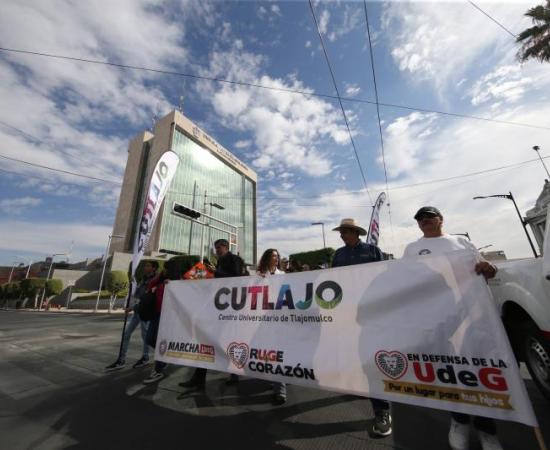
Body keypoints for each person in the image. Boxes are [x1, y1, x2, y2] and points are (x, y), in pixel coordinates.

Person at [403, 206, 500, 450]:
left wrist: (490, 268)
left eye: (429, 216)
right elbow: (403, 282)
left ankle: (487, 430)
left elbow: (485, 270)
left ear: (441, 219)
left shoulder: (462, 242)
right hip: (436, 319)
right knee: (450, 370)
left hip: (471, 316)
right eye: (419, 218)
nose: (424, 220)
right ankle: (459, 422)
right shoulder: (412, 249)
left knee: (480, 371)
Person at [331, 218, 393, 438]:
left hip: (371, 313)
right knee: (353, 355)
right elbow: (332, 282)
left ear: (355, 232)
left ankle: (382, 410)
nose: (341, 235)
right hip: (347, 313)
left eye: (345, 231)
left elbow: (386, 277)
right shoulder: (338, 255)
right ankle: (360, 387)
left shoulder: (373, 250)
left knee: (371, 359)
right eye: (341, 232)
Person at [179, 239, 247, 389]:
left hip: (230, 310)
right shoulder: (219, 263)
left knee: (224, 342)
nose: (217, 250)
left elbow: (236, 277)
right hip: (218, 308)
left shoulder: (234, 259)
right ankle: (199, 377)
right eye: (216, 248)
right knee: (207, 341)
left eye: (219, 247)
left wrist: (215, 272)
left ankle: (233, 373)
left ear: (226, 247)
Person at [105, 260, 158, 372]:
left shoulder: (154, 280)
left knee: (145, 336)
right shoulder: (143, 279)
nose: (145, 267)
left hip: (145, 312)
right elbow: (138, 295)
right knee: (127, 333)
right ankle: (121, 359)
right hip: (137, 311)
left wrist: (132, 308)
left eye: (148, 265)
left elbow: (146, 298)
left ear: (154, 268)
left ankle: (146, 357)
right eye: (145, 265)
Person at [256, 248, 287, 405]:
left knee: (277, 351)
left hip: (279, 318)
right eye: (273, 255)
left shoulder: (282, 275)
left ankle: (280, 390)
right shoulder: (258, 275)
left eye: (277, 256)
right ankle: (274, 377)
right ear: (267, 257)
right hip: (263, 319)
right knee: (267, 351)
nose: (276, 258)